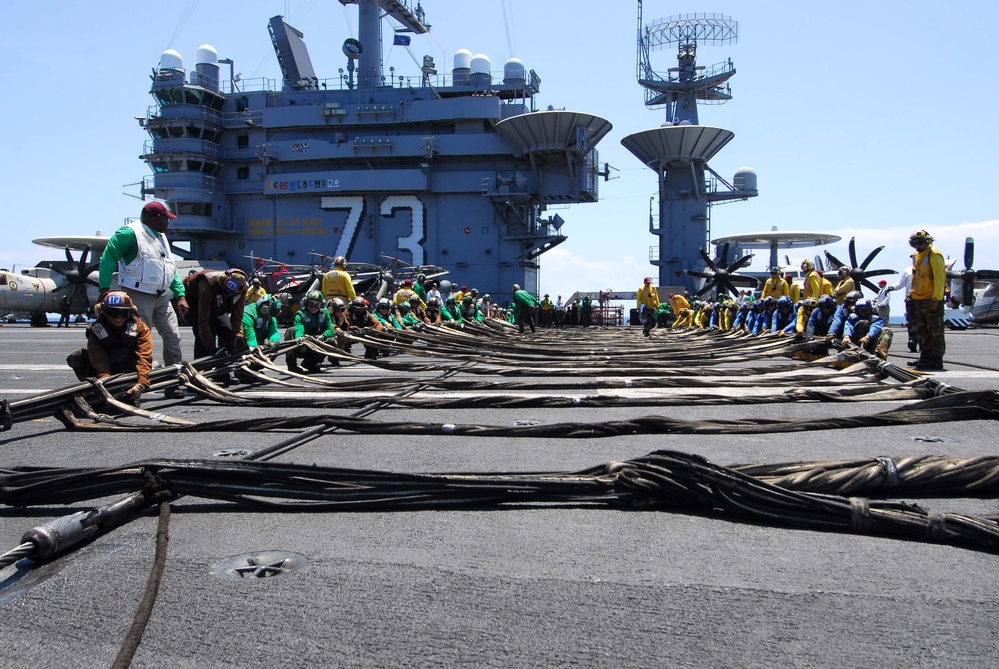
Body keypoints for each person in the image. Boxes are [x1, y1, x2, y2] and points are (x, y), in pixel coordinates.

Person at [98, 201, 189, 374]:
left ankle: (174, 374)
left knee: (173, 335)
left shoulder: (161, 237)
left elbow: (170, 268)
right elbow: (108, 258)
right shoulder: (129, 233)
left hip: (162, 296)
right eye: (167, 219)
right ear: (158, 218)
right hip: (138, 295)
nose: (169, 223)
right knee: (139, 337)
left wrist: (181, 295)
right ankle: (141, 374)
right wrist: (104, 289)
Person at [67, 291, 153, 405]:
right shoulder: (96, 330)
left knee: (120, 354)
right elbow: (98, 358)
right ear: (103, 311)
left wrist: (142, 383)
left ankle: (127, 390)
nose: (119, 317)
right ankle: (97, 391)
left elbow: (144, 355)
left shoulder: (140, 328)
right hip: (104, 370)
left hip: (130, 369)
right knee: (77, 356)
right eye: (113, 312)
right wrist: (106, 383)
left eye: (124, 313)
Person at [182, 268, 248, 359]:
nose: (228, 295)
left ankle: (226, 363)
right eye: (226, 292)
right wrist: (210, 347)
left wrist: (238, 335)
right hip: (193, 298)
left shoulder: (243, 288)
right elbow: (203, 320)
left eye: (231, 295)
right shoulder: (207, 284)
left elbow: (238, 314)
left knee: (228, 333)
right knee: (206, 333)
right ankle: (203, 362)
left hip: (218, 299)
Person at [906, 230, 946, 370]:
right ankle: (925, 357)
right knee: (922, 331)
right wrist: (911, 294)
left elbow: (939, 279)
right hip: (918, 299)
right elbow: (916, 277)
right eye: (914, 243)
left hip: (931, 299)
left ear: (928, 241)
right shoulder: (917, 255)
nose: (917, 246)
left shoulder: (934, 255)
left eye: (920, 243)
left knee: (935, 331)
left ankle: (936, 359)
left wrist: (936, 299)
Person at [284, 290, 335, 373]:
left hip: (317, 344)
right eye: (311, 304)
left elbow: (330, 329)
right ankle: (292, 366)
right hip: (302, 345)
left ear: (321, 305)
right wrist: (299, 337)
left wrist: (323, 336)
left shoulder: (325, 313)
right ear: (306, 303)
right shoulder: (300, 314)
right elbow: (299, 327)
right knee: (290, 330)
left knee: (332, 341)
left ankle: (310, 363)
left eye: (316, 305)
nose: (313, 307)